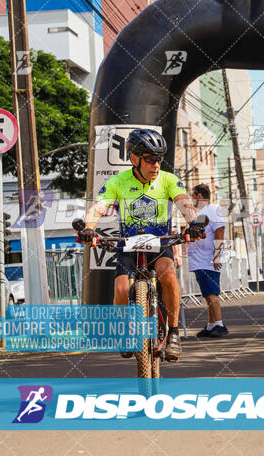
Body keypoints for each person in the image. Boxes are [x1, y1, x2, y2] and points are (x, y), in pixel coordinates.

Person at [79, 128, 202, 362]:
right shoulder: (118, 181)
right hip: (129, 242)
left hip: (159, 242)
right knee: (122, 289)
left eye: (159, 159)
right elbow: (98, 206)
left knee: (168, 275)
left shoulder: (168, 180)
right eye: (150, 159)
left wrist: (193, 222)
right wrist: (89, 228)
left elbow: (184, 203)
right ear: (134, 158)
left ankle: (173, 332)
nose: (156, 165)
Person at [188, 184, 228, 338]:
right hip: (199, 261)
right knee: (207, 294)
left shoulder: (213, 210)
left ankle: (219, 324)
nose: (192, 199)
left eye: (193, 195)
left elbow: (220, 231)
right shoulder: (201, 213)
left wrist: (217, 255)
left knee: (212, 294)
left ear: (199, 196)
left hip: (208, 260)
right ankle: (211, 325)